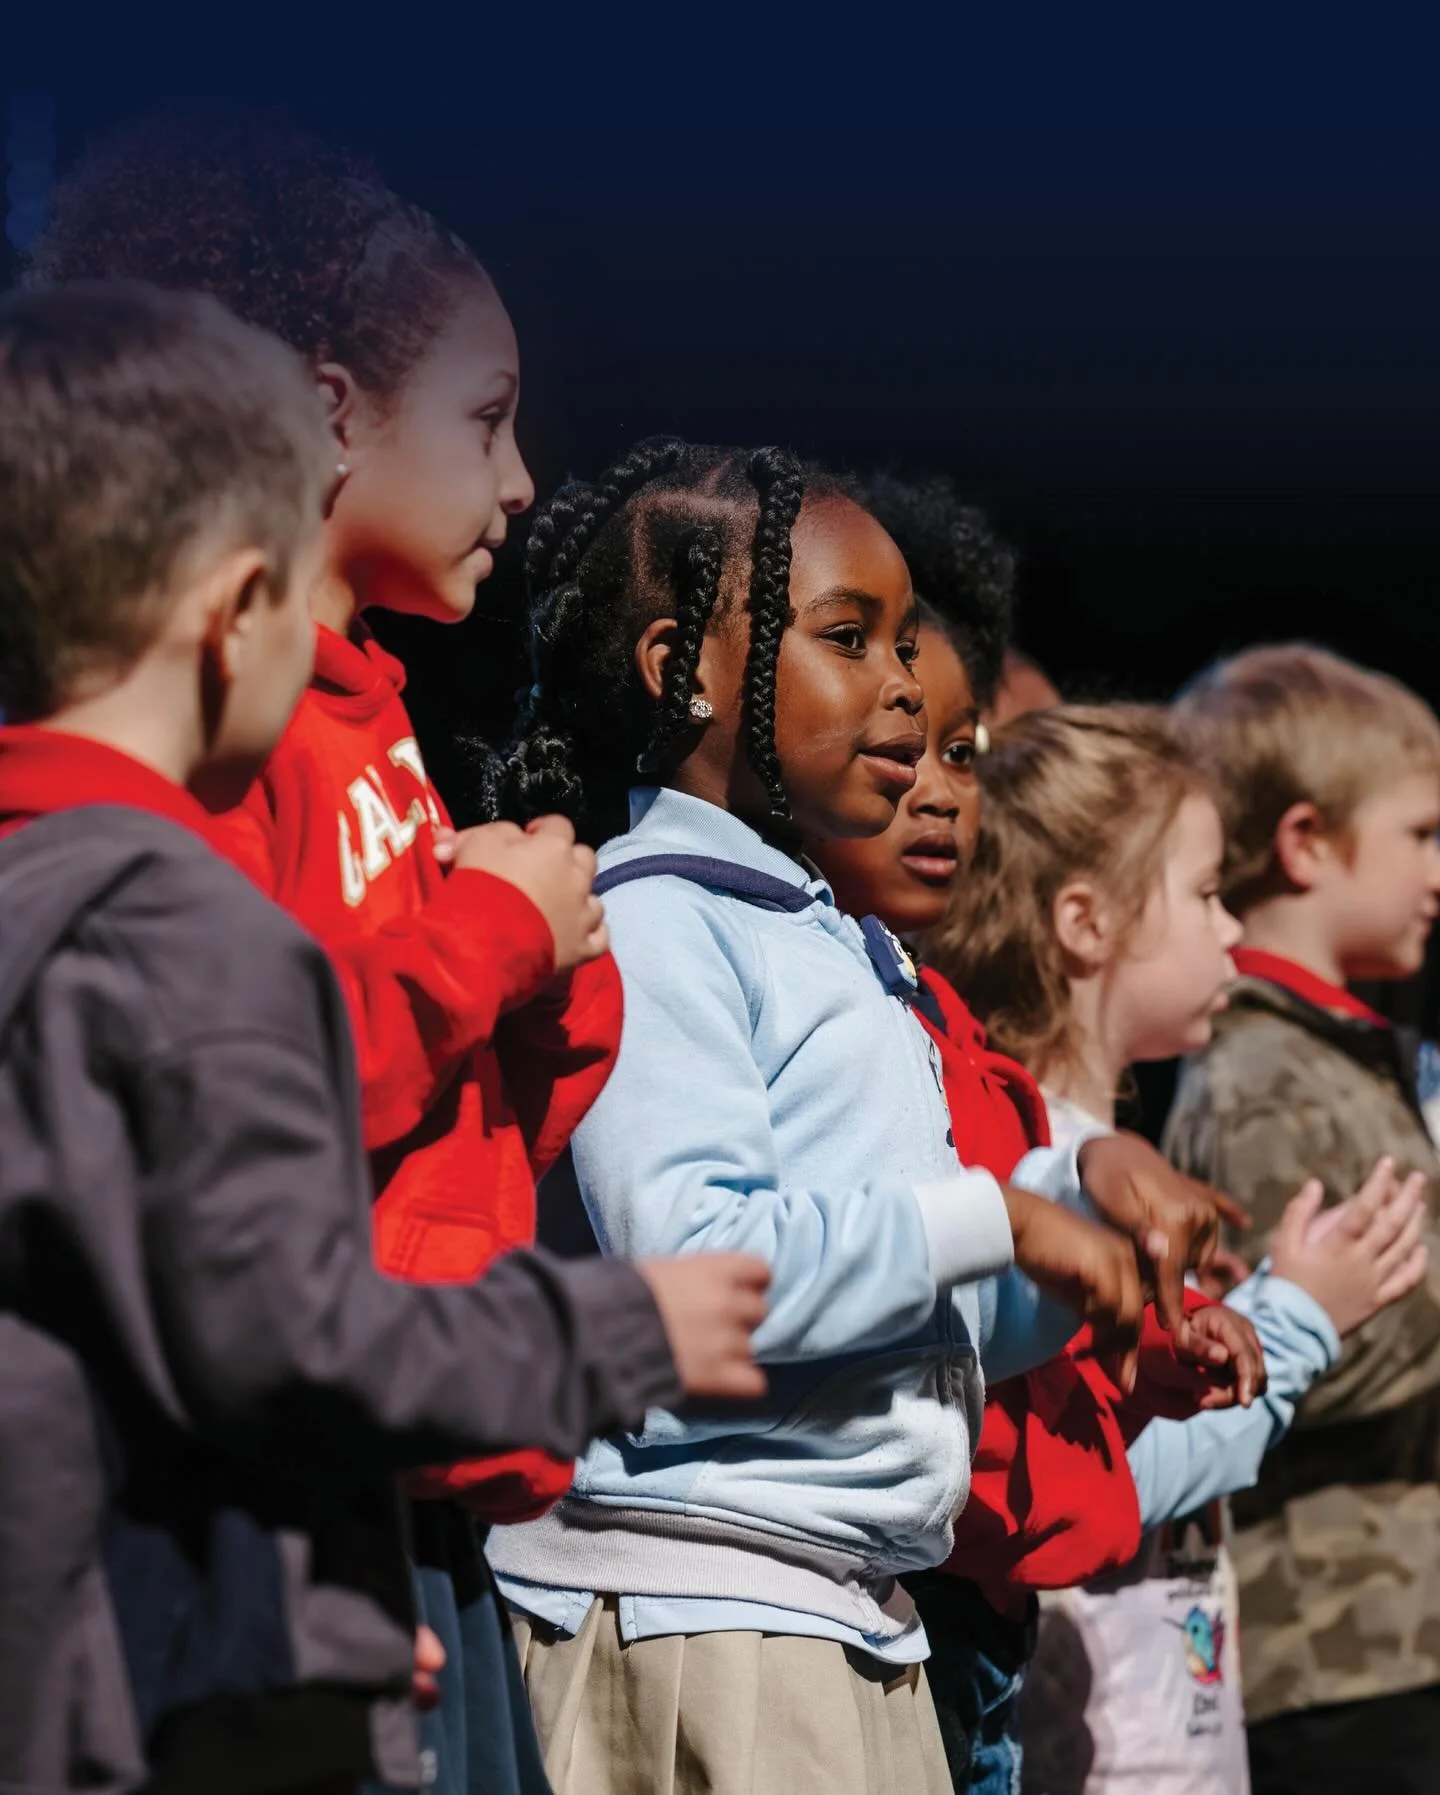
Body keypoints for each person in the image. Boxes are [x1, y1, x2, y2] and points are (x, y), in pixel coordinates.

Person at [0, 280, 770, 1795]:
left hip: (145, 1621)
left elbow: (129, 1329)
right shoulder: (186, 925)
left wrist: (282, 1601)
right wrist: (622, 1326)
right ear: (235, 620)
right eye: (303, 594)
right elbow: (283, 1335)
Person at [471, 438, 1237, 1795]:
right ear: (680, 669)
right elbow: (694, 1269)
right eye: (848, 635)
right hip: (703, 1610)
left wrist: (1083, 1268)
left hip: (838, 1608)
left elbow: (891, 1315)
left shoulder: (842, 947)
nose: (899, 678)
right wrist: (991, 1214)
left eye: (904, 642)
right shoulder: (657, 918)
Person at [30, 112, 612, 1795]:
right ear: (332, 416)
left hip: (411, 1469)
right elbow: (245, 1099)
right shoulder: (241, 741)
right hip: (285, 1478)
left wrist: (560, 989)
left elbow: (453, 1130)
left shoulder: (381, 728)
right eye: (488, 420)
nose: (519, 480)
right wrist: (489, 937)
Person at [928, 701, 1427, 1793]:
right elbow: (1091, 1462)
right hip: (1085, 1712)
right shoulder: (1044, 1171)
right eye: (1204, 896)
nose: (1232, 933)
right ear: (1085, 922)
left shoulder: (1103, 1154)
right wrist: (1299, 1317)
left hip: (1167, 1699)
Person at [1163, 645, 1440, 1795]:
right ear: (1308, 841)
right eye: (1422, 835)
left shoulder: (1339, 1059)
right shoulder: (1263, 1077)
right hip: (1333, 1648)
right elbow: (1277, 1358)